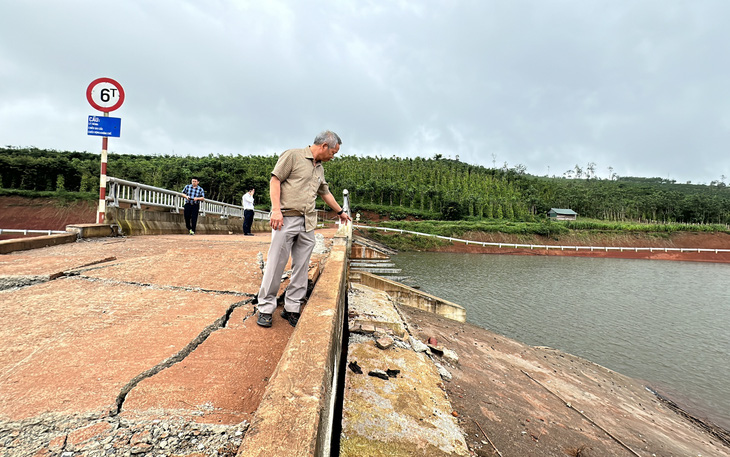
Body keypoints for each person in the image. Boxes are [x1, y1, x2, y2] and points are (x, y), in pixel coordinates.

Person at [256, 130, 351, 328]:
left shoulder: (320, 169)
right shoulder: (293, 156)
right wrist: (275, 210)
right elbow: (275, 180)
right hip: (286, 219)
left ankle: (292, 308)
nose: (333, 157)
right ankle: (265, 308)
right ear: (324, 146)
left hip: (308, 222)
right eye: (333, 152)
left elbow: (325, 193)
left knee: (301, 267)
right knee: (276, 264)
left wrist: (340, 211)